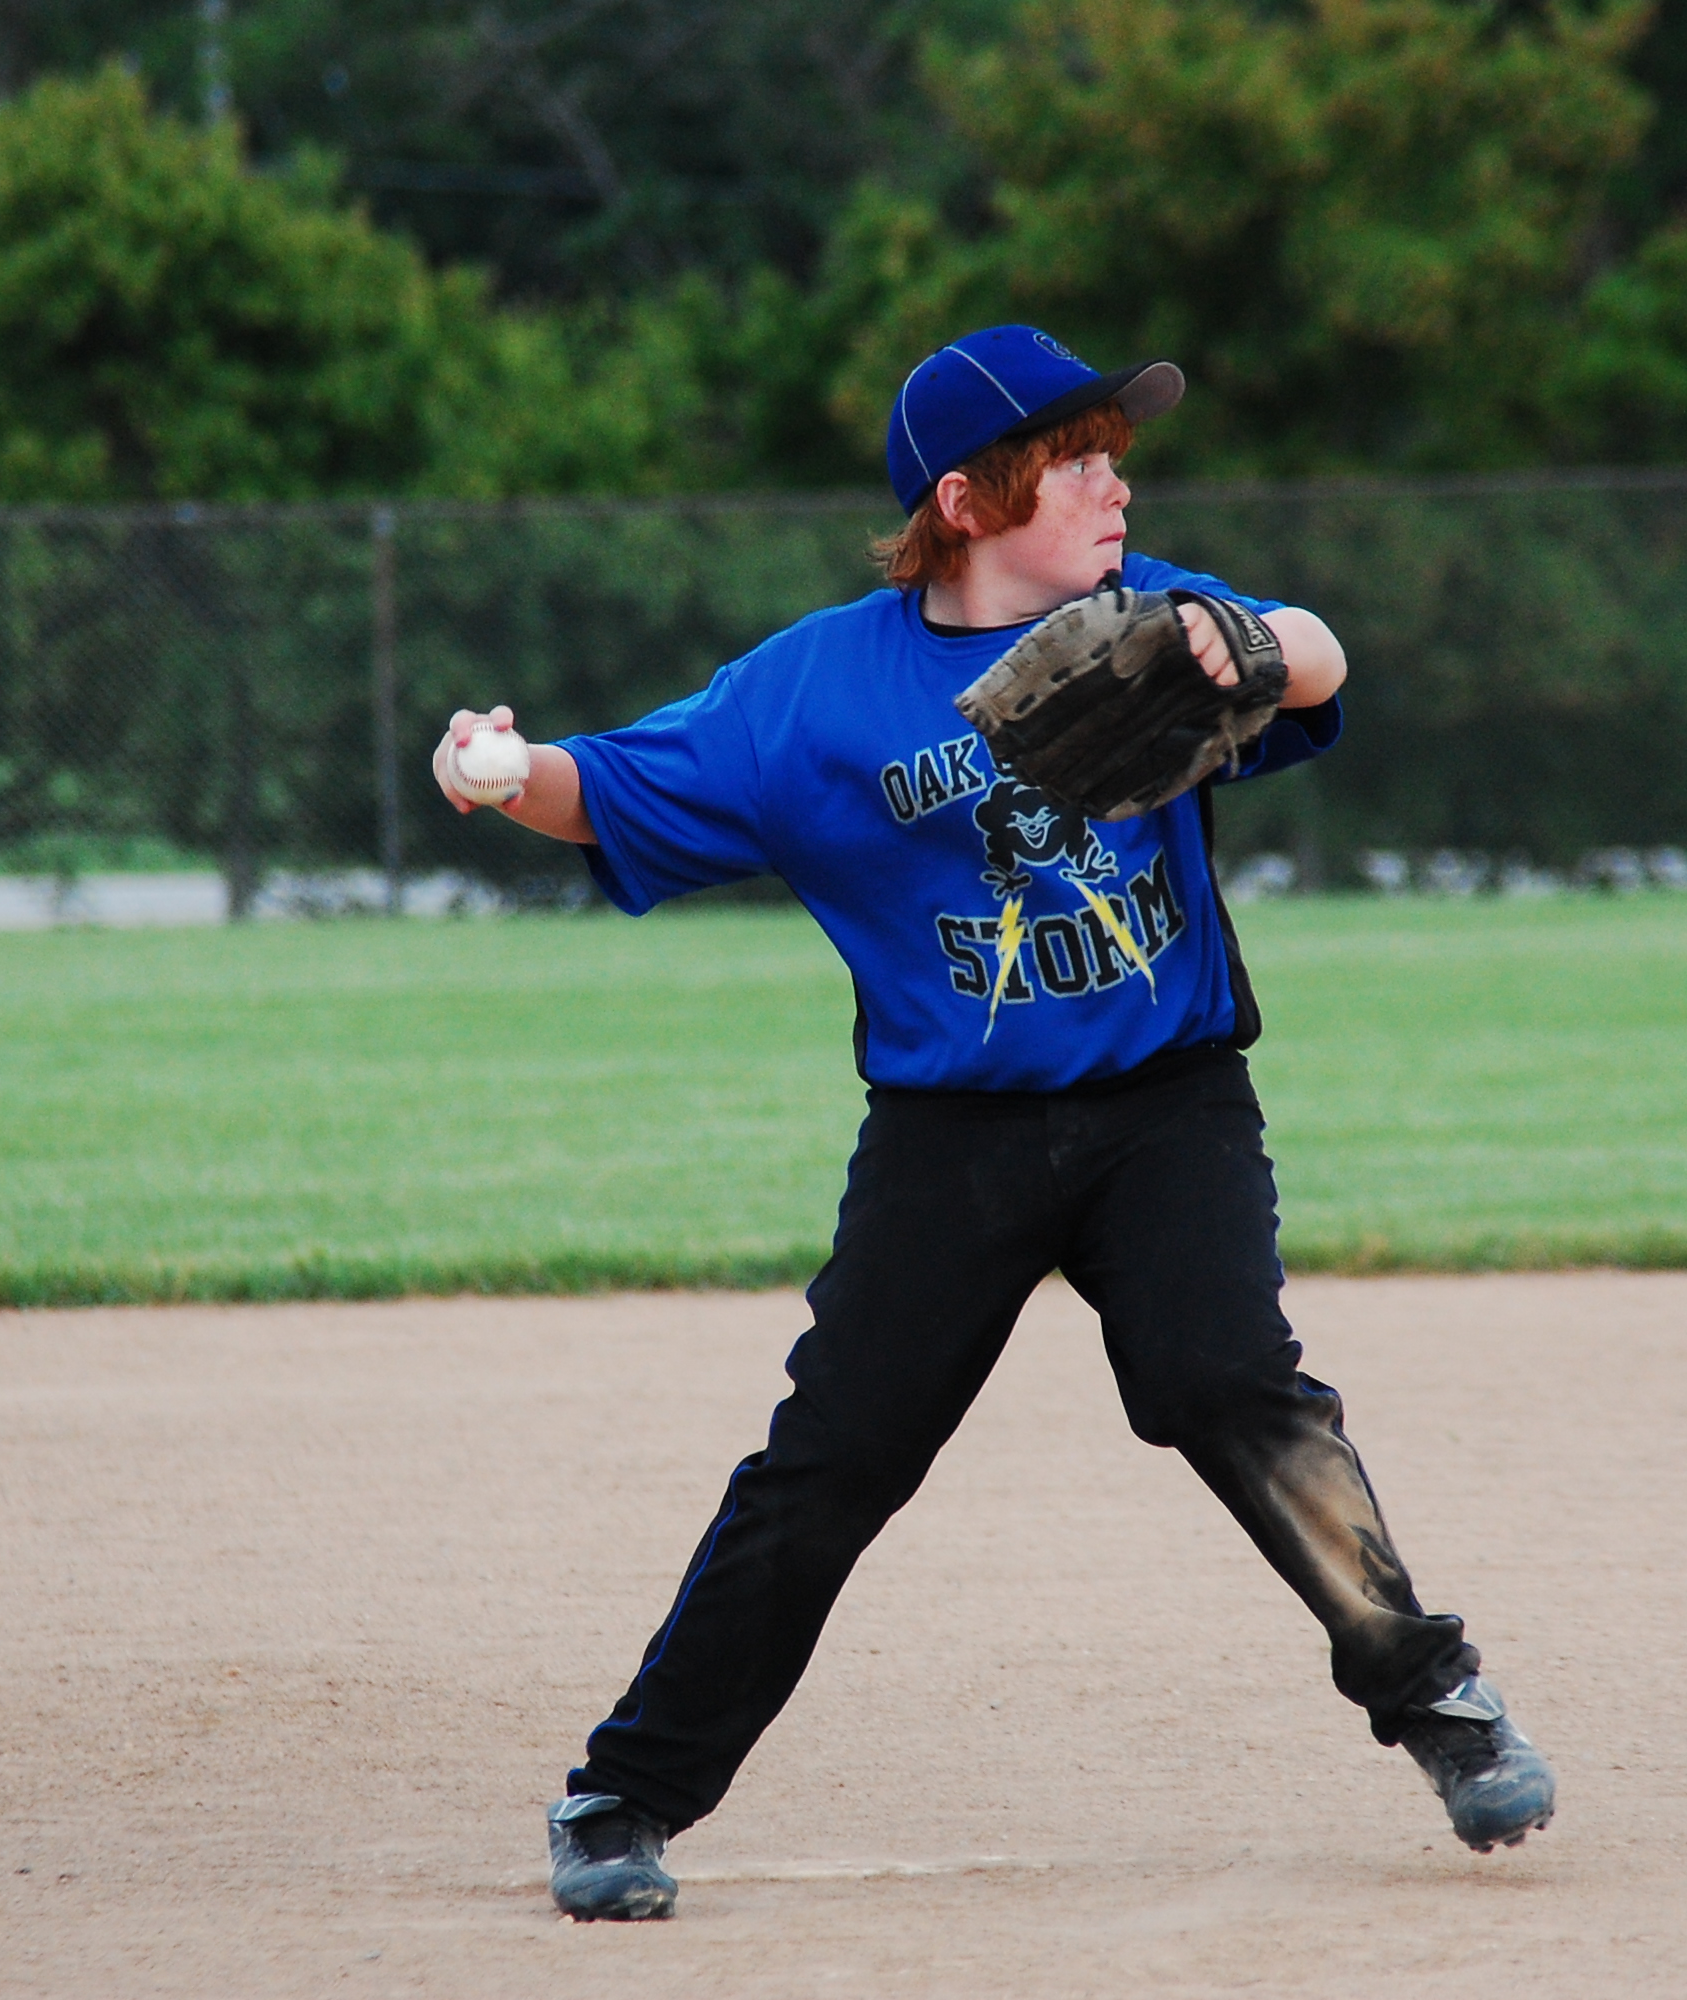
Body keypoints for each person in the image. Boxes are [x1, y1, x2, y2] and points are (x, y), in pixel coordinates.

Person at [431, 325, 1555, 1922]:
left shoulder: (1150, 616)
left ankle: (1436, 1695)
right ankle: (622, 1797)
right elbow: (605, 788)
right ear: (963, 501)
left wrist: (1248, 640)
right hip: (949, 1138)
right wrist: (497, 772)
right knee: (833, 1463)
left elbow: (1315, 654)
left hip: (1166, 1103)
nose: (1113, 482)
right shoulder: (816, 691)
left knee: (1224, 1382)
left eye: (1114, 454)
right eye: (1072, 459)